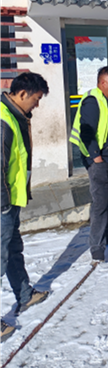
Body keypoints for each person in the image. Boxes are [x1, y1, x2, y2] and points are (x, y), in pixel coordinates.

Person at [0, 72, 50, 343]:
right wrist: (3, 205)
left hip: (12, 200)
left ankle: (24, 294)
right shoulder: (3, 120)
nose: (37, 105)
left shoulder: (16, 115)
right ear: (22, 94)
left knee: (12, 251)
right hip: (2, 205)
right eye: (36, 99)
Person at [70, 66, 108, 263]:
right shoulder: (92, 101)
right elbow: (86, 131)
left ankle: (107, 234)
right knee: (100, 204)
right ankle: (97, 247)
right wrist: (97, 158)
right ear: (102, 82)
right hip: (100, 161)